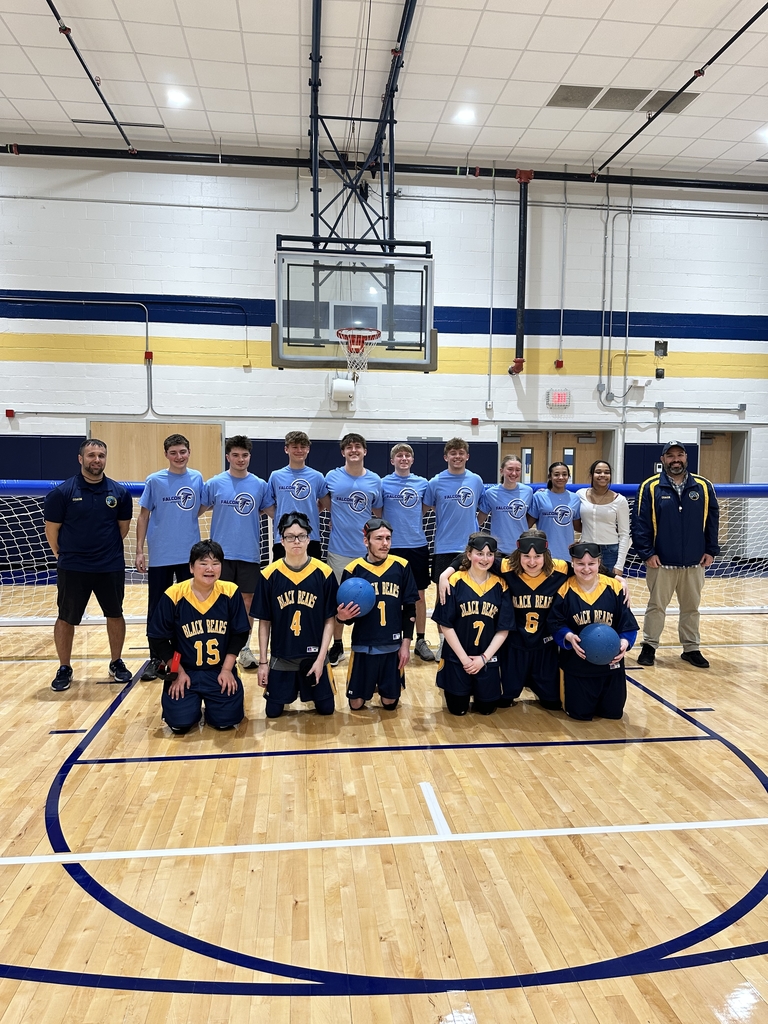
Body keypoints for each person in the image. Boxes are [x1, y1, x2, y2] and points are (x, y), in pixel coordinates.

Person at [44, 439, 134, 692]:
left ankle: (116, 662)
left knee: (115, 614)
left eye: (101, 455)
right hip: (73, 567)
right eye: (92, 455)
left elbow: (122, 529)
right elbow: (52, 530)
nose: (97, 460)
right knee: (66, 617)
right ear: (80, 458)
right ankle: (64, 667)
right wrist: (63, 555)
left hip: (110, 566)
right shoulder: (62, 493)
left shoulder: (119, 493)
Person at [147, 540, 250, 734]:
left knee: (226, 722)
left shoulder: (230, 591)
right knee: (179, 723)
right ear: (191, 567)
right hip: (186, 672)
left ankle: (214, 707)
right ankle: (190, 707)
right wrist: (177, 671)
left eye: (215, 563)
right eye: (203, 563)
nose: (210, 568)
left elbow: (240, 633)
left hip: (218, 671)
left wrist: (227, 670)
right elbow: (158, 638)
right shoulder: (174, 594)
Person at [632, 441, 719, 669]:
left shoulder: (703, 485)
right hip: (660, 562)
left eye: (680, 455)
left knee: (691, 608)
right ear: (663, 460)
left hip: (694, 562)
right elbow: (640, 524)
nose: (675, 459)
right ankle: (649, 647)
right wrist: (646, 553)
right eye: (670, 456)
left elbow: (712, 521)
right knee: (656, 607)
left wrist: (711, 550)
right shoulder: (649, 486)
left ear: (686, 457)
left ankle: (691, 648)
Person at [135, 433, 207, 681]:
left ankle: (188, 653)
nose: (179, 457)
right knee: (157, 607)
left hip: (189, 556)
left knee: (190, 605)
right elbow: (143, 516)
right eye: (173, 452)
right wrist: (139, 550)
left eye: (183, 452)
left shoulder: (197, 477)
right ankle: (156, 657)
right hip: (161, 556)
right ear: (166, 454)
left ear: (189, 452)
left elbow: (202, 506)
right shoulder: (155, 481)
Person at [253, 512, 338, 718]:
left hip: (314, 656)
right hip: (283, 656)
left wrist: (321, 659)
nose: (296, 541)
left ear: (309, 538)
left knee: (327, 710)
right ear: (282, 541)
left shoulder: (324, 573)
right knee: (272, 712)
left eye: (301, 535)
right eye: (290, 536)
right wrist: (263, 662)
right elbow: (264, 622)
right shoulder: (269, 575)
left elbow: (330, 620)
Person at [548, 542, 639, 721]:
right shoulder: (564, 589)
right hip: (577, 666)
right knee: (580, 716)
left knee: (613, 714)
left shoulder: (614, 587)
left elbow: (627, 624)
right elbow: (555, 623)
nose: (586, 569)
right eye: (580, 564)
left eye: (591, 564)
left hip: (611, 667)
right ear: (572, 564)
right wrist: (568, 636)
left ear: (599, 563)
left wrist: (624, 643)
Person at [336, 517, 419, 711]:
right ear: (366, 541)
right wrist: (342, 617)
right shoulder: (353, 570)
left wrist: (406, 644)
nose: (385, 544)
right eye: (379, 538)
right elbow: (345, 619)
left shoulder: (402, 566)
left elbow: (410, 608)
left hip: (392, 645)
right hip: (363, 644)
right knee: (355, 704)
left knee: (390, 703)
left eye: (388, 538)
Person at [205, 435, 271, 670]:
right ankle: (221, 645)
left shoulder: (260, 485)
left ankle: (243, 647)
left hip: (249, 553)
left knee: (247, 602)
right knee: (220, 601)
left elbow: (272, 511)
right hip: (220, 555)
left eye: (244, 455)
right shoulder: (214, 483)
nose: (240, 459)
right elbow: (196, 510)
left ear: (249, 457)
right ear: (227, 457)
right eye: (235, 455)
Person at [431, 533, 514, 716]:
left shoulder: (501, 584)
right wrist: (465, 659)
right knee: (457, 710)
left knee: (487, 710)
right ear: (468, 555)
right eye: (479, 553)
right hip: (457, 658)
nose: (485, 559)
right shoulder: (454, 580)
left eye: (490, 554)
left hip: (487, 660)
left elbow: (504, 629)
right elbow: (445, 625)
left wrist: (483, 658)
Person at [320, 433, 383, 667]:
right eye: (349, 447)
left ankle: (369, 643)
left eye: (358, 447)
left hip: (367, 554)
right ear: (343, 452)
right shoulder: (332, 477)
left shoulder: (375, 480)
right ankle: (337, 645)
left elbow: (378, 514)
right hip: (338, 551)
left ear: (365, 451)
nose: (354, 450)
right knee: (339, 601)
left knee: (369, 599)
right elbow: (324, 503)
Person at [424, 438, 485, 656]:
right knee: (444, 599)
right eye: (453, 453)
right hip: (444, 548)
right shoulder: (436, 482)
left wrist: (474, 530)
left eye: (461, 453)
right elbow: (425, 508)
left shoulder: (476, 480)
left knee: (469, 598)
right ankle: (443, 642)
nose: (457, 456)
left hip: (470, 549)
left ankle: (466, 640)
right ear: (445, 456)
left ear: (467, 456)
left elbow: (483, 509)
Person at [497, 529, 569, 710]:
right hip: (515, 645)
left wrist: (618, 579)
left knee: (552, 703)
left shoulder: (560, 569)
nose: (531, 562)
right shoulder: (507, 567)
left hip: (545, 645)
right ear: (518, 554)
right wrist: (445, 574)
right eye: (526, 556)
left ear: (546, 554)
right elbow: (467, 560)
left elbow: (592, 568)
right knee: (503, 701)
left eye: (537, 556)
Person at [381, 443, 435, 662]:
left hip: (417, 545)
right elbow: (378, 511)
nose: (403, 458)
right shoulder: (383, 483)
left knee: (419, 596)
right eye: (399, 455)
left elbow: (424, 508)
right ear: (392, 460)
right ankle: (393, 638)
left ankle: (420, 640)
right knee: (391, 595)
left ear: (412, 460)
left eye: (407, 455)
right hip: (391, 547)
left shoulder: (423, 483)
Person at [265, 430, 328, 560]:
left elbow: (326, 502)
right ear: (286, 449)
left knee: (312, 579)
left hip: (311, 538)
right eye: (294, 447)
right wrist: (282, 518)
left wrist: (310, 514)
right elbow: (267, 504)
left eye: (303, 447)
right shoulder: (276, 476)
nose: (299, 450)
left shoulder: (317, 477)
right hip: (283, 538)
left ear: (308, 449)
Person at [576, 460, 631, 574]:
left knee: (609, 589)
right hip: (586, 549)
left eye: (606, 472)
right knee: (586, 587)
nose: (602, 475)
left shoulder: (620, 500)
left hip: (610, 551)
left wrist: (619, 565)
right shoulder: (580, 494)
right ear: (591, 475)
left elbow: (624, 534)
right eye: (598, 472)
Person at [478, 454, 534, 555]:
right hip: (498, 550)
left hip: (522, 548)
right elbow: (479, 520)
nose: (514, 473)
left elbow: (531, 518)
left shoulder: (528, 491)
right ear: (501, 471)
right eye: (510, 469)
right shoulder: (491, 493)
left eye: (518, 470)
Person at [528, 462, 581, 562]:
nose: (561, 477)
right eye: (556, 474)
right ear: (550, 477)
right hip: (544, 554)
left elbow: (577, 526)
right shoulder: (539, 497)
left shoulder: (575, 498)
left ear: (568, 476)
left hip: (567, 554)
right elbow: (527, 524)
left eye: (564, 474)